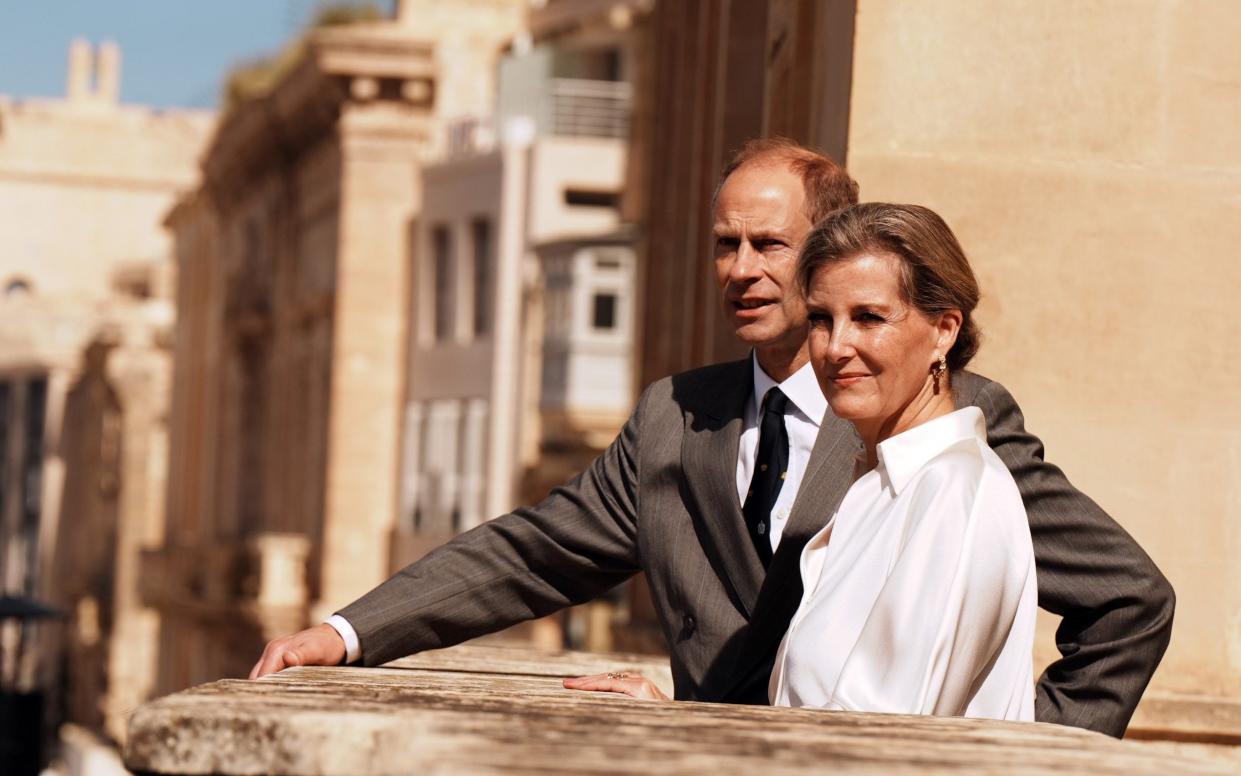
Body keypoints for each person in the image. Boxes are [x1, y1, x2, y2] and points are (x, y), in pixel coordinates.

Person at [250, 138, 1173, 737]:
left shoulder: (948, 436)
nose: (739, 270)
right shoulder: (673, 416)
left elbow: (1127, 601)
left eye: (768, 246)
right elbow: (534, 553)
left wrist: (1037, 754)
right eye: (723, 244)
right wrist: (348, 631)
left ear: (827, 250)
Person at [762, 202, 1036, 719]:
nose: (836, 346)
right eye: (821, 319)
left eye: (869, 318)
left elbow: (878, 737)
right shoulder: (882, 485)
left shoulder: (954, 492)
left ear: (944, 331)